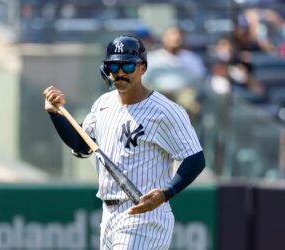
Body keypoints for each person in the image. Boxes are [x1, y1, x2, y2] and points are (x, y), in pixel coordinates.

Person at [43, 35, 205, 249]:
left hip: (144, 215)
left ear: (143, 68)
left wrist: (167, 193)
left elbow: (195, 158)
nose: (119, 73)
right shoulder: (103, 104)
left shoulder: (165, 111)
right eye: (113, 66)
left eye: (128, 65)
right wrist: (56, 115)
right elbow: (82, 146)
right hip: (109, 214)